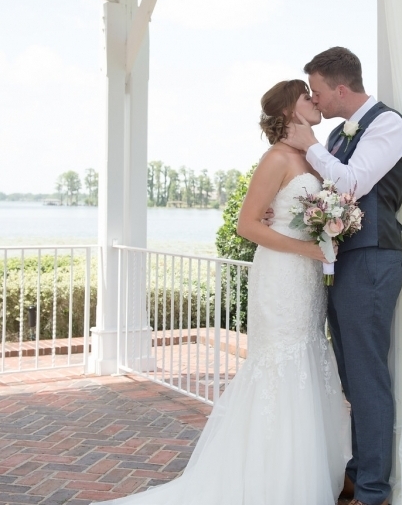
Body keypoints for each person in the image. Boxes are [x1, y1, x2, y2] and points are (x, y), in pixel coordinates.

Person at [92, 79, 350, 505]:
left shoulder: (312, 158)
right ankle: (270, 478)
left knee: (307, 356)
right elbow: (246, 225)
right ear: (289, 109)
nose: (314, 100)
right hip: (282, 276)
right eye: (307, 95)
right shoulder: (276, 158)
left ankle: (312, 468)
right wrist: (307, 248)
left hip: (307, 281)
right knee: (279, 365)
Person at [281, 47, 402, 505]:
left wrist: (308, 146)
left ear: (340, 88)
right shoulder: (336, 135)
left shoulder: (388, 124)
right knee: (352, 379)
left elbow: (352, 184)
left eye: (317, 90)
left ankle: (374, 492)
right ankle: (357, 473)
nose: (316, 99)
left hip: (374, 258)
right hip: (343, 263)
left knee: (368, 376)